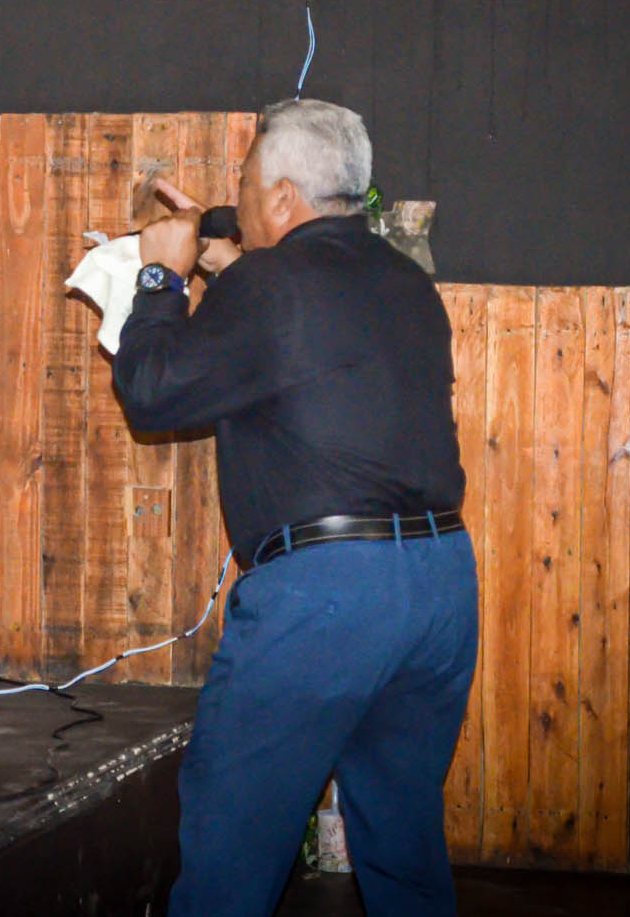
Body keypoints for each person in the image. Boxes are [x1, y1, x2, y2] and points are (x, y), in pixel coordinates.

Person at [112, 99, 476, 916]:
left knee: (231, 849)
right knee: (404, 846)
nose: (236, 197)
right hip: (441, 585)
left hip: (328, 600)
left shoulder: (268, 285)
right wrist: (231, 268)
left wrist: (161, 276)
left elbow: (153, 391)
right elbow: (306, 346)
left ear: (281, 197)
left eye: (244, 182)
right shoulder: (407, 283)